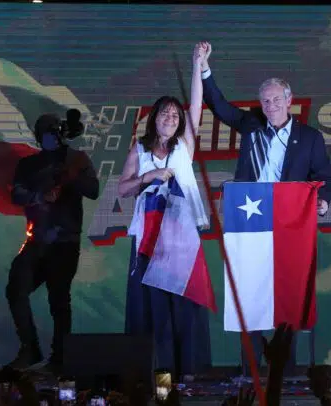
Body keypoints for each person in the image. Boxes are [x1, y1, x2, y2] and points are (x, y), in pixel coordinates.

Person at [198, 41, 331, 375]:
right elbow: (219, 106)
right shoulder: (251, 124)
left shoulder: (310, 137)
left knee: (289, 290)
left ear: (289, 100)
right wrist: (204, 67)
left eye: (276, 100)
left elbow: (324, 177)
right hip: (251, 222)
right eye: (265, 101)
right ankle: (252, 365)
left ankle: (285, 368)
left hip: (290, 223)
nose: (270, 106)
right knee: (249, 289)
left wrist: (323, 200)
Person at [118, 43, 211, 379]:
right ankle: (156, 369)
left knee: (182, 302)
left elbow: (196, 104)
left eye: (175, 115)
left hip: (181, 235)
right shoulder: (140, 150)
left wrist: (197, 64)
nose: (170, 119)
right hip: (149, 237)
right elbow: (123, 189)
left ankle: (188, 370)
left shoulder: (184, 146)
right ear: (154, 119)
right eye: (164, 114)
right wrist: (149, 176)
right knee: (152, 303)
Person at [5, 113, 99, 373]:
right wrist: (40, 195)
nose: (51, 138)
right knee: (16, 288)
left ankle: (60, 358)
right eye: (45, 133)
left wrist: (70, 175)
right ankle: (30, 349)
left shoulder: (77, 159)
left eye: (54, 132)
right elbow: (17, 194)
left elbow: (93, 190)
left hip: (65, 241)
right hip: (37, 241)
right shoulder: (29, 164)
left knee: (58, 299)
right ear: (38, 137)